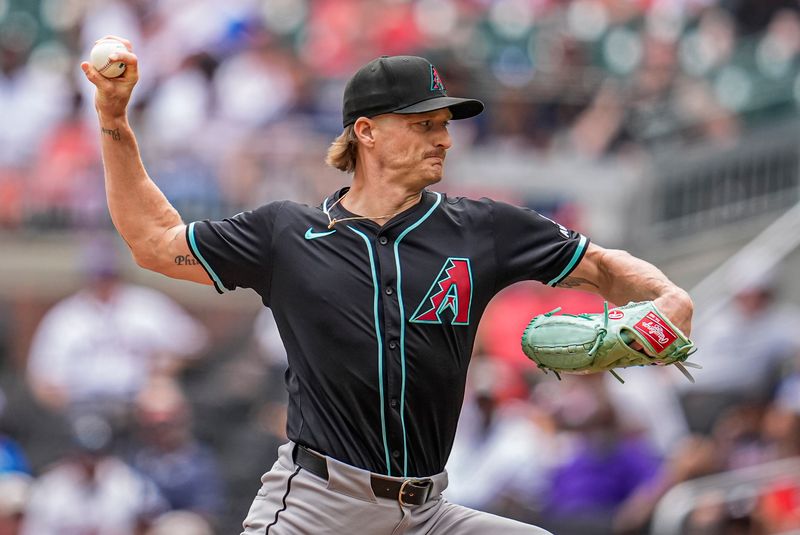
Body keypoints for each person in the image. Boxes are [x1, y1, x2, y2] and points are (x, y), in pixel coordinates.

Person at [81, 37, 694, 534]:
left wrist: (669, 299)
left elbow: (605, 268)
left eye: (445, 124)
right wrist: (114, 121)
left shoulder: (484, 228)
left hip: (428, 512)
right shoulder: (287, 234)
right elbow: (154, 241)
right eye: (425, 123)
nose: (445, 137)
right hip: (319, 507)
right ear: (367, 132)